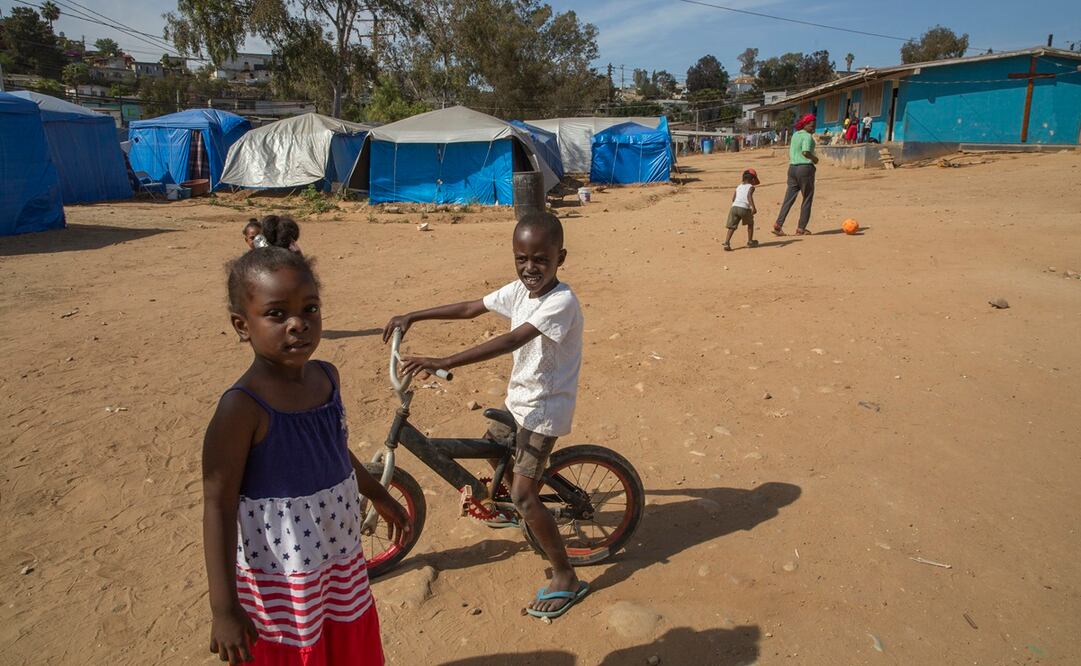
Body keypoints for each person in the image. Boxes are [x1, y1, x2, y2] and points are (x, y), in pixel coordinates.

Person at [202, 247, 410, 665]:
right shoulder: (242, 408)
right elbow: (217, 505)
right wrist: (224, 609)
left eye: (310, 309)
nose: (298, 324)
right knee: (296, 651)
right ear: (242, 326)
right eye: (277, 314)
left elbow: (334, 450)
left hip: (338, 560)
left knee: (345, 644)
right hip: (284, 575)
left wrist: (378, 494)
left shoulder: (326, 378)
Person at [381, 212, 588, 620]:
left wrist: (444, 360)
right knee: (494, 449)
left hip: (544, 409)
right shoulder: (520, 290)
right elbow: (470, 308)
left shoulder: (560, 302)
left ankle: (566, 574)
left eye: (541, 260)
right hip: (520, 398)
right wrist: (414, 315)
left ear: (560, 258)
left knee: (524, 495)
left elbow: (512, 340)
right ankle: (518, 507)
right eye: (521, 259)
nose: (530, 268)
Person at [773, 113, 819, 236]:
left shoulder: (795, 135)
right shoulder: (807, 137)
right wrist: (815, 159)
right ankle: (801, 228)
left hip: (792, 168)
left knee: (788, 199)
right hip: (805, 169)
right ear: (805, 125)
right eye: (812, 126)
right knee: (807, 198)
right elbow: (805, 152)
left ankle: (778, 224)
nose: (813, 128)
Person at [724, 168, 760, 252]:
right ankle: (750, 241)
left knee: (732, 227)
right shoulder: (751, 187)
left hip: (734, 208)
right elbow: (749, 196)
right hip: (744, 208)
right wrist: (753, 207)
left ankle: (727, 242)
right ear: (753, 179)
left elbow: (733, 199)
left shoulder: (738, 186)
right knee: (750, 223)